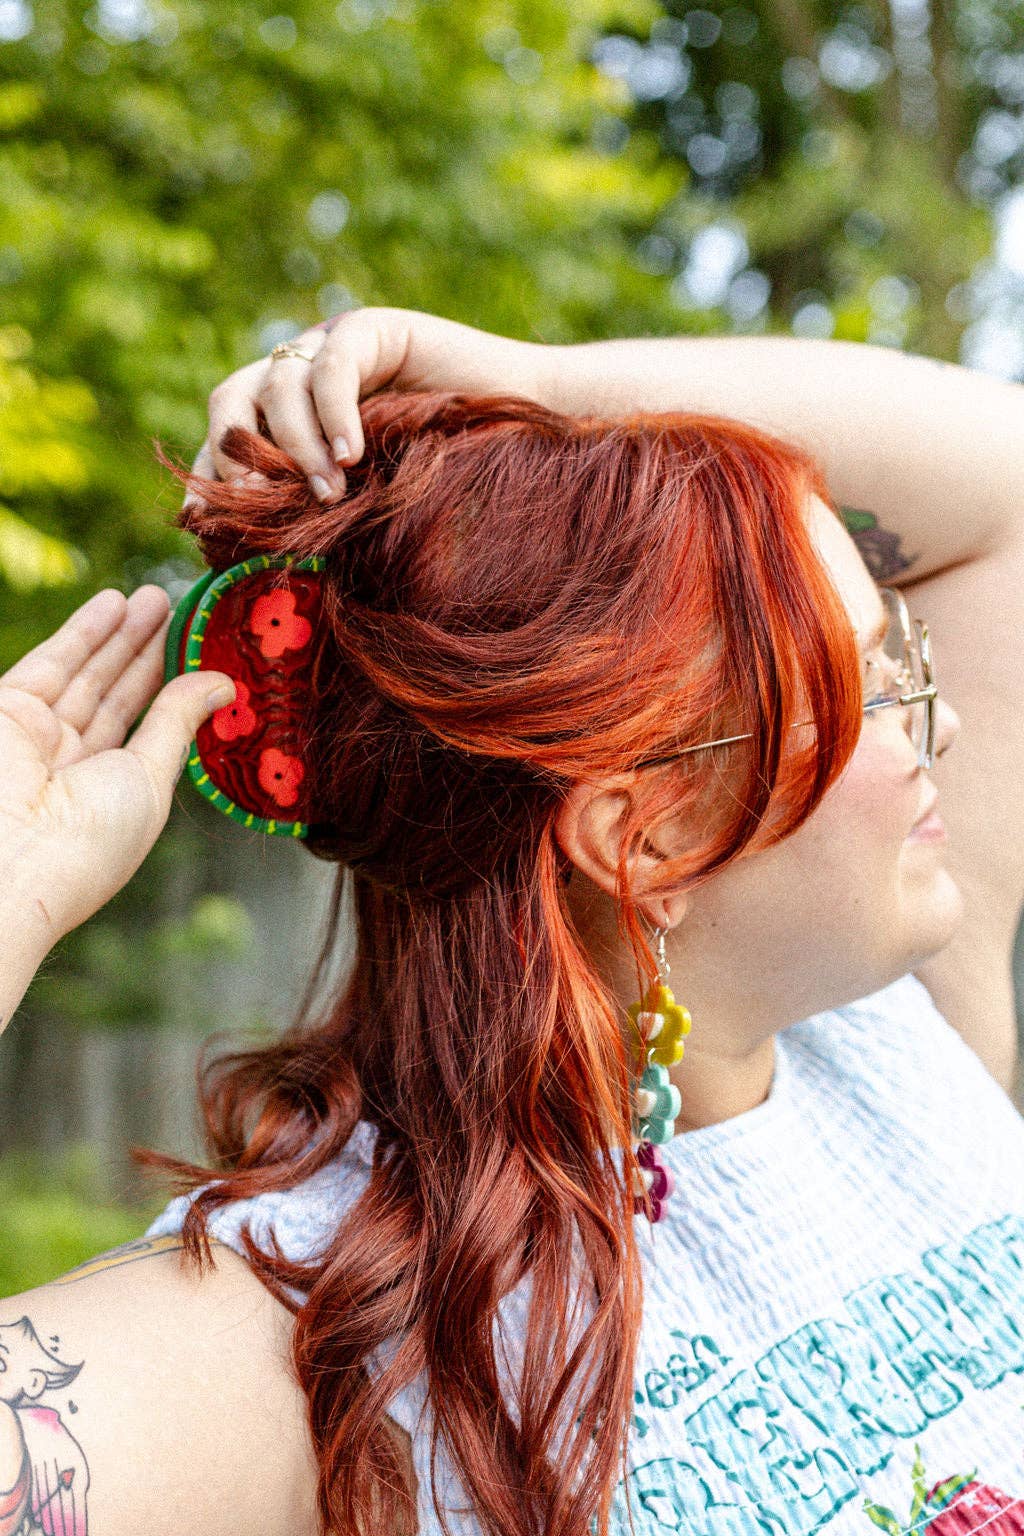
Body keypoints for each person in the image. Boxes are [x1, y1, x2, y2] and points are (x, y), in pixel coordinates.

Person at [1, 309, 1022, 1536]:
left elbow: (1004, 485)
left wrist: (545, 390)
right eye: (873, 688)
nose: (940, 725)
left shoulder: (897, 1061)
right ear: (645, 839)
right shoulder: (319, 1323)